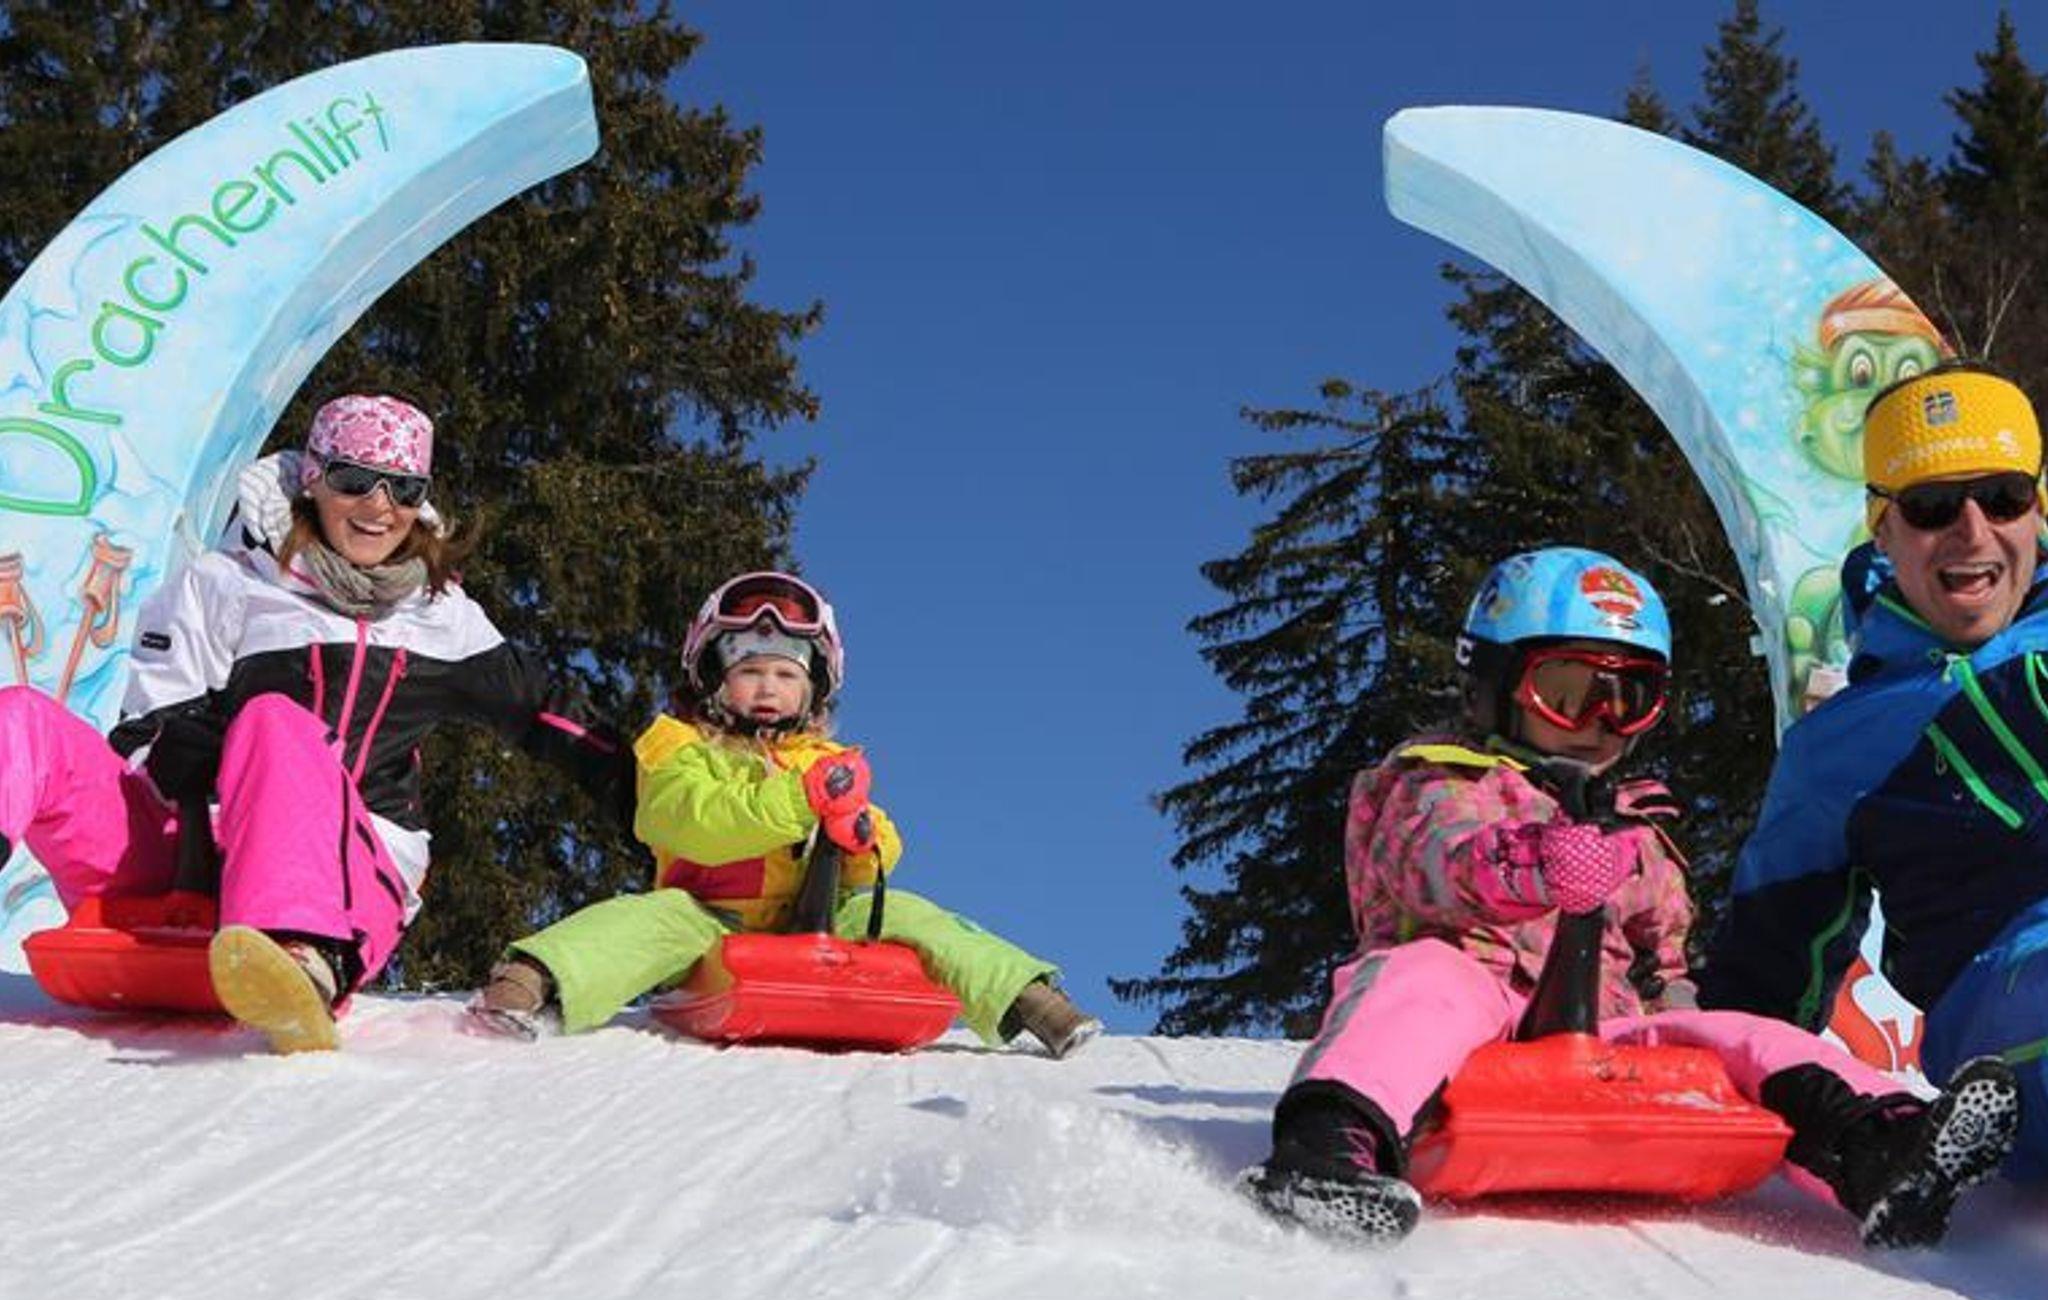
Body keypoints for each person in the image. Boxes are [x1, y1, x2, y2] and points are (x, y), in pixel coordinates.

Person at [1243, 546, 2021, 1248]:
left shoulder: (1632, 825)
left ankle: (1883, 1148)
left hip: (1602, 1035)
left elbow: (1662, 949)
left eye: (1630, 697)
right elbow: (1432, 864)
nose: (1600, 723)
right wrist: (1532, 865)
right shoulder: (1436, 779)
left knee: (1741, 1034)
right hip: (1475, 1023)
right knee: (1417, 981)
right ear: (1493, 684)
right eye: (1569, 691)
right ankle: (1332, 1144)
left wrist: (1678, 1001)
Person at [0, 392, 628, 1053]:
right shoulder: (226, 582)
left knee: (277, 720)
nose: (379, 507)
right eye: (354, 480)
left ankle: (301, 953)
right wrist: (178, 748)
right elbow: (144, 727)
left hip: (343, 878)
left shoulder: (440, 616)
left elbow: (548, 715)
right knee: (22, 717)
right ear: (313, 480)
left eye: (404, 489)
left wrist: (653, 791)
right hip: (186, 855)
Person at [465, 569, 1102, 1058]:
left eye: (786, 675)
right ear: (713, 677)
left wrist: (861, 839)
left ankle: (1030, 999)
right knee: (645, 920)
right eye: (749, 671)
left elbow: (880, 851)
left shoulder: (825, 760)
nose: (768, 688)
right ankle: (533, 980)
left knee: (911, 914)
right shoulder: (677, 745)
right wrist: (799, 802)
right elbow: (689, 820)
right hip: (710, 916)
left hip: (812, 917)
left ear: (813, 689)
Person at [1701, 359, 2048, 1181]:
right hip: (2005, 1001)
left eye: (2002, 497)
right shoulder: (1838, 749)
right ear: (1883, 530)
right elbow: (1765, 971)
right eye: (1931, 507)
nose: (1972, 531)